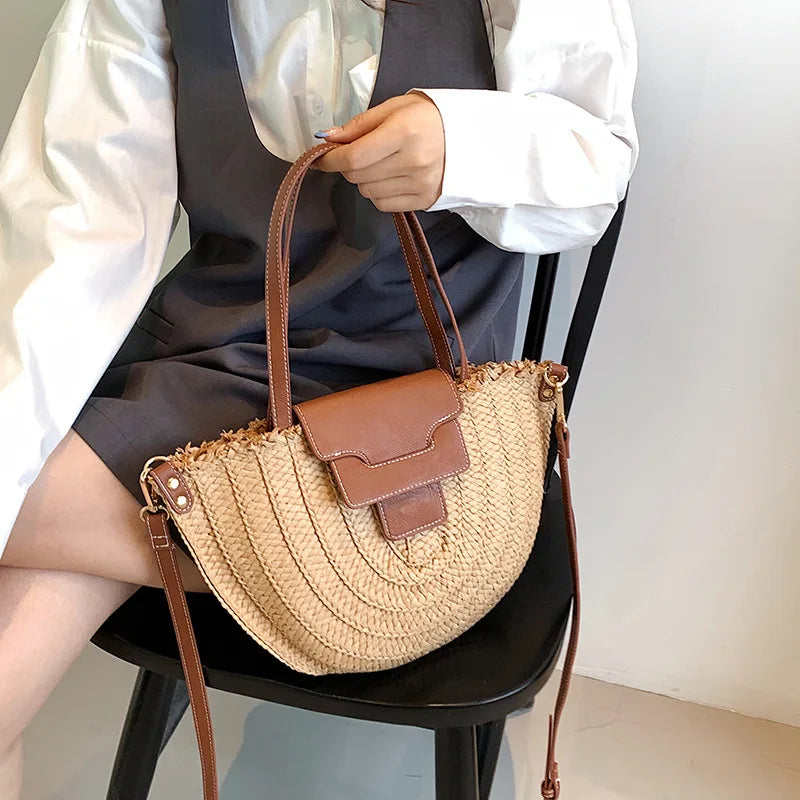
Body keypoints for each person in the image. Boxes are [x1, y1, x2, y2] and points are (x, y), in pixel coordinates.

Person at [0, 0, 638, 795]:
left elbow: (599, 157)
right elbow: (75, 230)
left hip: (414, 408)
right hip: (209, 364)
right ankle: (319, 562)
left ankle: (297, 553)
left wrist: (465, 146)